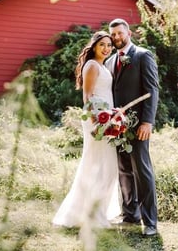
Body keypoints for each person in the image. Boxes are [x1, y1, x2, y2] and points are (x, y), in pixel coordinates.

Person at [52, 31, 121, 228]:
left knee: (108, 167)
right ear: (94, 46)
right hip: (96, 120)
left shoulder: (103, 65)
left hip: (108, 119)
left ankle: (96, 211)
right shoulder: (91, 65)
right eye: (102, 45)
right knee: (98, 165)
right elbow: (88, 97)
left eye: (109, 45)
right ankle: (91, 215)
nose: (107, 48)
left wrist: (113, 118)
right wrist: (98, 120)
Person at [106, 18, 160, 236]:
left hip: (138, 125)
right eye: (114, 35)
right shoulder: (111, 60)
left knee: (142, 171)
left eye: (120, 33)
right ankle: (130, 214)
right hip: (116, 127)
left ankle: (150, 223)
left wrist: (148, 121)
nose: (117, 37)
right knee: (124, 170)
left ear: (128, 32)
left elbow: (152, 89)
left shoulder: (142, 55)